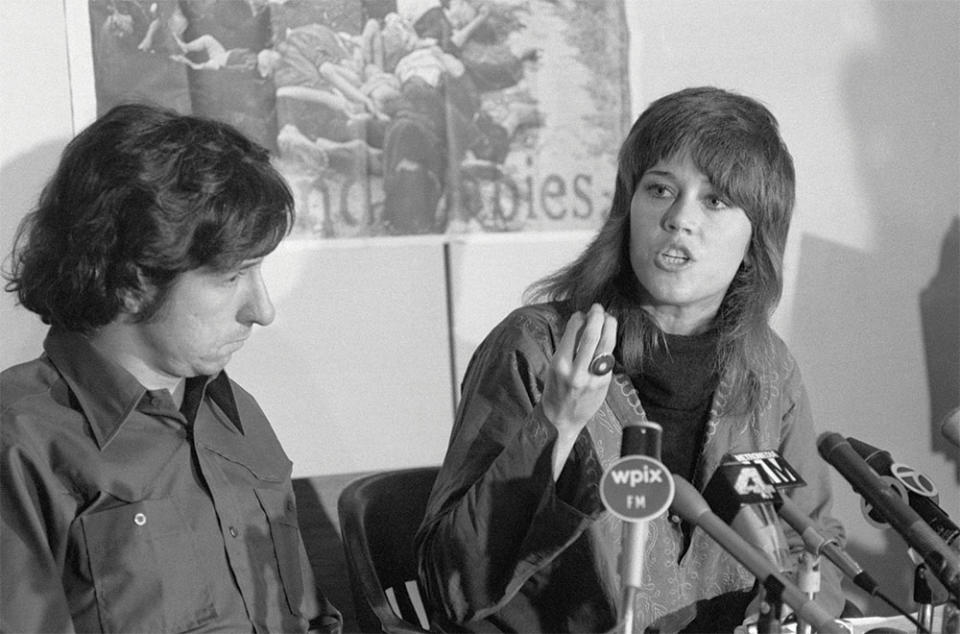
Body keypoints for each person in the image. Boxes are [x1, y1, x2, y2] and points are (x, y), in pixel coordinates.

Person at [415, 87, 847, 632]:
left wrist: (793, 610)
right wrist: (555, 424)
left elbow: (814, 539)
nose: (679, 218)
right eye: (660, 189)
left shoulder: (768, 369)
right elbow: (447, 585)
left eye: (715, 200)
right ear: (628, 210)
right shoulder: (539, 349)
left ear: (756, 237)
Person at [0, 103, 342, 634]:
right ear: (134, 280)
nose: (263, 310)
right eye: (231, 278)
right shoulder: (20, 441)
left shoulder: (235, 414)